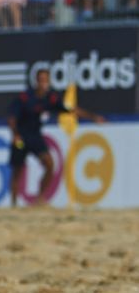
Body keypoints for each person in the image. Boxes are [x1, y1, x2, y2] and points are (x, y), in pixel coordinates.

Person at [8, 68, 105, 207]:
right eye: (41, 79)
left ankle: (39, 199)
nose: (44, 82)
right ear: (36, 81)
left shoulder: (50, 98)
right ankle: (13, 204)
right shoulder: (25, 97)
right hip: (21, 137)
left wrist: (93, 117)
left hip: (35, 136)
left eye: (46, 79)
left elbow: (71, 109)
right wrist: (15, 135)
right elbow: (12, 118)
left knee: (49, 163)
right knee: (17, 170)